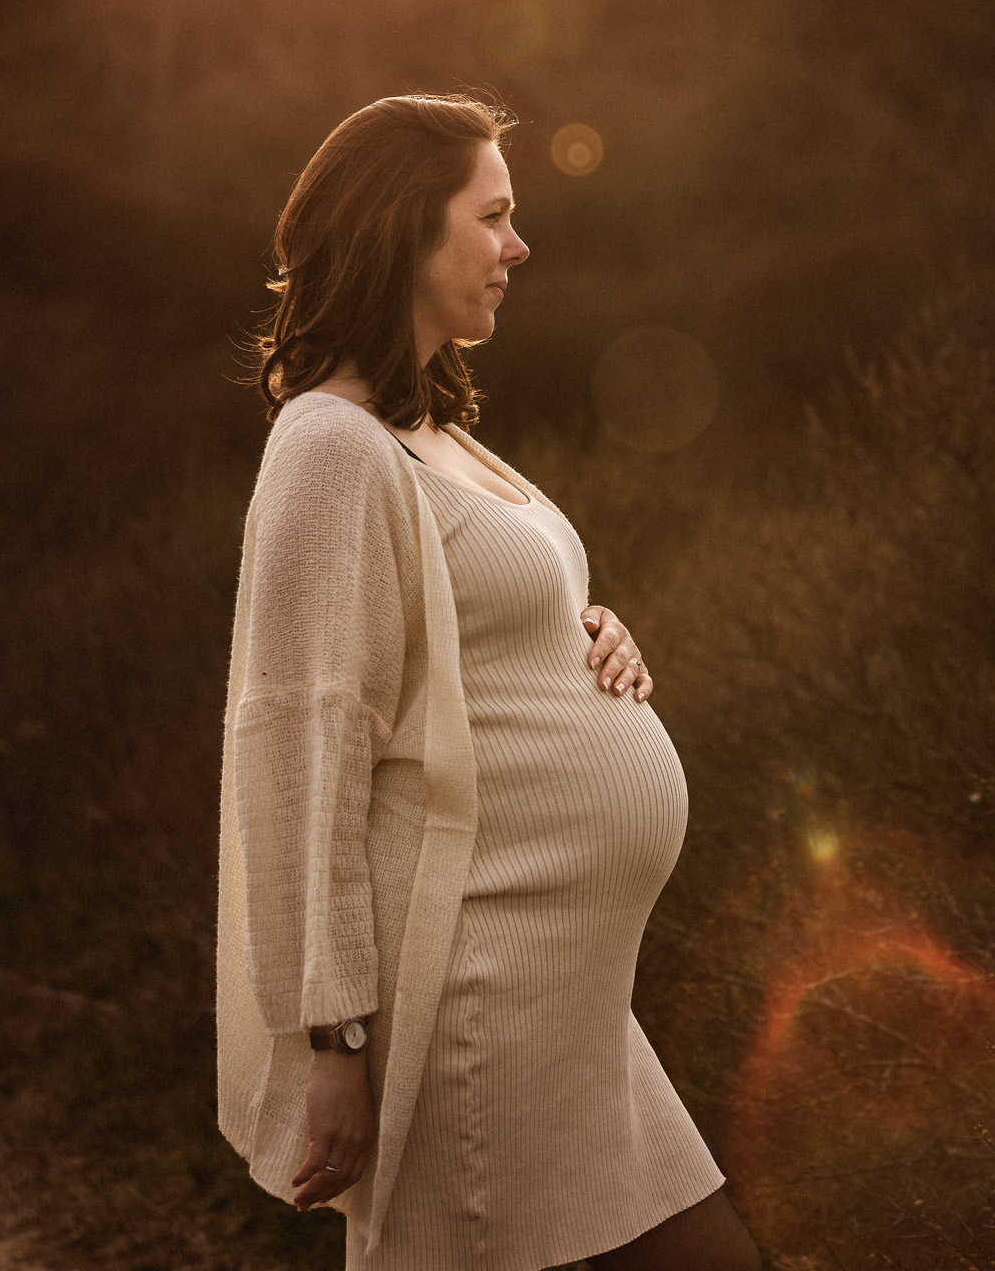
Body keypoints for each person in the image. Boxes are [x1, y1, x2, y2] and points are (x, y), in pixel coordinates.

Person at [216, 92, 760, 1271]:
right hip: (479, 994)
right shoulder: (330, 446)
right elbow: (302, 747)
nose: (518, 247)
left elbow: (475, 630)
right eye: (495, 216)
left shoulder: (436, 431)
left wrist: (591, 632)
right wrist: (334, 1040)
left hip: (566, 998)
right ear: (405, 230)